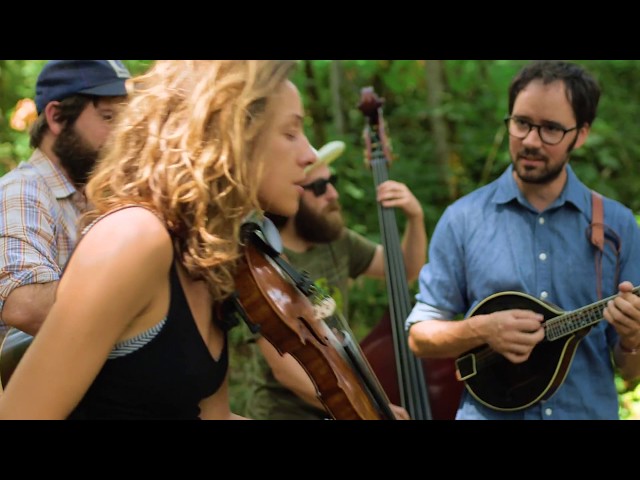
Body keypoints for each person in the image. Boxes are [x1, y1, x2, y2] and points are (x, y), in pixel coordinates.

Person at [0, 60, 317, 419]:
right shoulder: (134, 237)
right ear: (226, 134)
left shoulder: (207, 255)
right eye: (290, 133)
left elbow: (213, 416)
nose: (311, 155)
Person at [406, 60, 640, 420]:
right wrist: (482, 328)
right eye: (522, 123)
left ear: (581, 134)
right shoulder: (463, 218)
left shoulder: (618, 226)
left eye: (550, 129)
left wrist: (632, 338)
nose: (530, 140)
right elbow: (419, 337)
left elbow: (630, 371)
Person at [242, 140, 426, 420]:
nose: (332, 194)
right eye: (318, 187)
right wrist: (364, 406)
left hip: (343, 406)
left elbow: (404, 271)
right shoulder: (262, 265)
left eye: (332, 181)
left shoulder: (336, 240)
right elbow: (284, 368)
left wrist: (415, 217)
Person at [0, 60, 131, 336]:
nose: (121, 135)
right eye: (108, 118)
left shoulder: (93, 198)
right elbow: (26, 306)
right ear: (57, 117)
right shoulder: (23, 191)